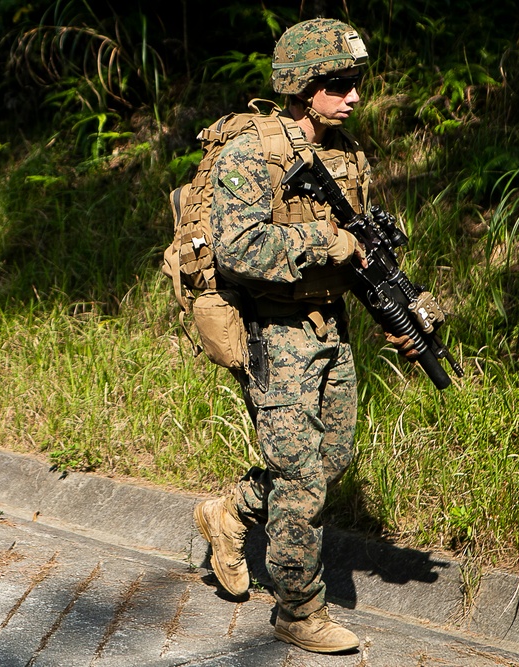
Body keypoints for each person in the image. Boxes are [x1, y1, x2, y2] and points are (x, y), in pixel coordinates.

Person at [192, 18, 413, 654]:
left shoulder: (344, 158)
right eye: (338, 85)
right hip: (272, 330)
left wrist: (405, 314)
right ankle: (298, 610)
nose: (353, 97)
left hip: (330, 328)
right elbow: (238, 249)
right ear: (302, 86)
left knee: (330, 459)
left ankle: (229, 512)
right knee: (301, 478)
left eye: (355, 83)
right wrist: (326, 241)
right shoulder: (249, 155)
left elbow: (363, 258)